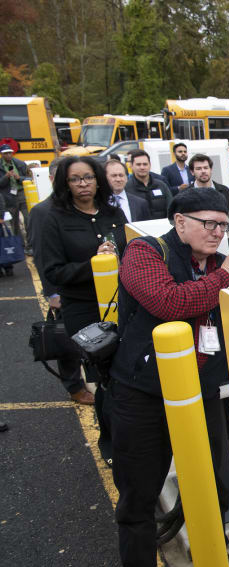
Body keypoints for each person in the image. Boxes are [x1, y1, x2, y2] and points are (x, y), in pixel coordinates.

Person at [109, 189, 229, 567]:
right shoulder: (145, 253)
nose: (218, 233)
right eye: (209, 224)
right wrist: (226, 277)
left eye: (223, 225)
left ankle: (211, 549)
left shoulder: (221, 263)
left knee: (214, 482)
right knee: (140, 490)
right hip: (144, 392)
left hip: (202, 390)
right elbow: (170, 303)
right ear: (180, 222)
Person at [42, 156, 127, 463]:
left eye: (88, 177)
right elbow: (54, 272)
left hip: (121, 302)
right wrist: (94, 264)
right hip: (84, 309)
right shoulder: (54, 219)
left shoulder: (113, 213)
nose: (83, 184)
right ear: (65, 183)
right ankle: (111, 441)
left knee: (125, 372)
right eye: (76, 179)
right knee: (104, 377)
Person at [27, 157, 94, 405]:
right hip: (65, 289)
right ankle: (74, 386)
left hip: (87, 286)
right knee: (67, 341)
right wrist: (52, 294)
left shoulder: (78, 210)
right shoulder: (43, 212)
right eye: (71, 178)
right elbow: (42, 256)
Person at [1, 143, 31, 251]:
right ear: (2, 154)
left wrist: (19, 178)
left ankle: (30, 244)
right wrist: (6, 177)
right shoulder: (1, 167)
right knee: (14, 223)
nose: (8, 155)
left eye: (10, 153)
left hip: (21, 193)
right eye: (5, 153)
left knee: (28, 219)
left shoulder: (20, 164)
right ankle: (20, 245)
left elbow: (29, 178)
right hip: (9, 196)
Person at [125, 149, 172, 219]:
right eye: (138, 164)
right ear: (131, 166)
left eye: (145, 164)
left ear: (150, 165)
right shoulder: (126, 188)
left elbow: (171, 207)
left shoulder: (161, 185)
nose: (142, 167)